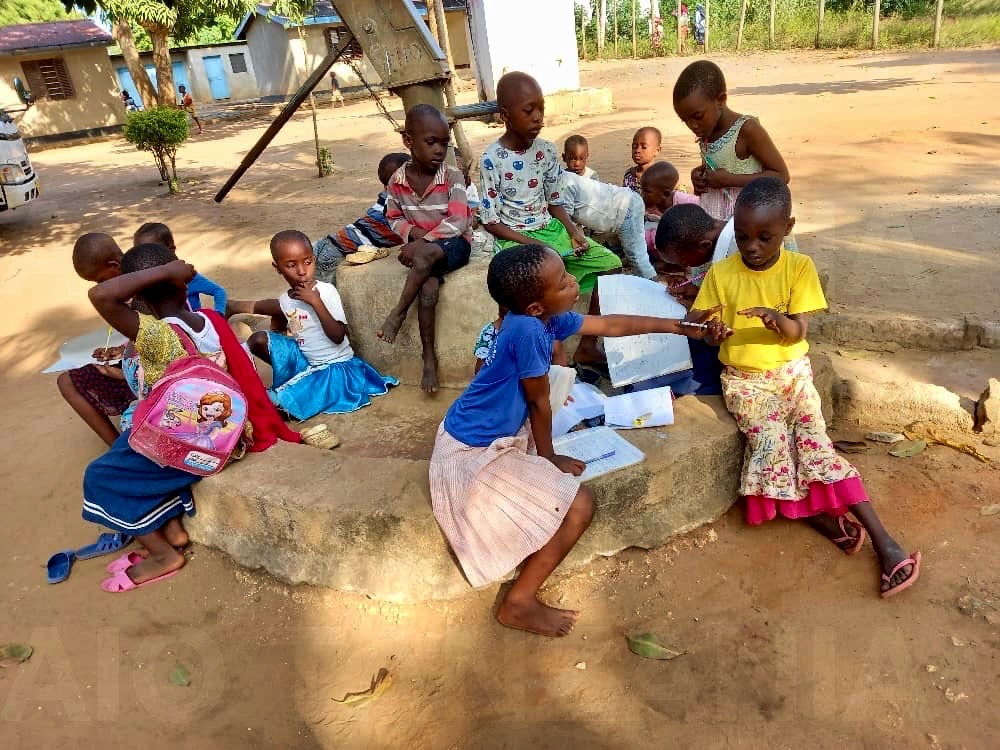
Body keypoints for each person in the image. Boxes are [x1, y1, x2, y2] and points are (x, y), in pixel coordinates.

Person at [430, 244, 729, 637]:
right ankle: (518, 601)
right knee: (579, 505)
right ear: (537, 305)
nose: (574, 283)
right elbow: (538, 402)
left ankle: (520, 595)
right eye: (563, 282)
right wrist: (549, 457)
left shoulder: (540, 320)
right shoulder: (528, 332)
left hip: (486, 430)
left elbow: (610, 325)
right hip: (471, 450)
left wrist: (678, 327)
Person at [690, 177, 921, 598]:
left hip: (793, 375)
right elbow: (701, 326)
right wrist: (711, 331)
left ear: (788, 228)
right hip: (745, 383)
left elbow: (798, 331)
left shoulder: (799, 268)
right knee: (772, 448)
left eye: (765, 237)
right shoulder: (721, 273)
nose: (752, 246)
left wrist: (776, 319)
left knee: (816, 446)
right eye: (742, 236)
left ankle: (886, 542)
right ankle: (825, 520)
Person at [83, 243, 300, 592]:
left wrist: (164, 273)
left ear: (140, 298)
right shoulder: (210, 320)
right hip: (231, 433)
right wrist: (171, 273)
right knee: (133, 442)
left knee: (101, 476)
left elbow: (100, 296)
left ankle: (162, 555)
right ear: (184, 285)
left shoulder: (157, 335)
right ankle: (173, 530)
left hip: (193, 446)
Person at [479, 71, 622, 364]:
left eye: (541, 109)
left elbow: (555, 202)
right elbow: (491, 221)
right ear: (505, 115)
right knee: (521, 294)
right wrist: (532, 245)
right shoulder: (492, 159)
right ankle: (527, 356)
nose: (538, 118)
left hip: (550, 230)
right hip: (515, 240)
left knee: (610, 265)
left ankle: (587, 345)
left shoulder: (545, 151)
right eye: (528, 110)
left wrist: (573, 232)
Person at [246, 230, 397, 419]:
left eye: (307, 262)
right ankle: (294, 382)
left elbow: (338, 336)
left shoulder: (326, 292)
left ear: (314, 260)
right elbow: (288, 329)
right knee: (258, 340)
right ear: (277, 268)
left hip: (334, 367)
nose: (302, 271)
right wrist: (280, 348)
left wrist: (316, 302)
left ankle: (292, 392)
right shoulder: (285, 299)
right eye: (291, 265)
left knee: (281, 406)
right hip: (306, 360)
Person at [376, 105, 473, 394]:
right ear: (408, 141)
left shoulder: (452, 176)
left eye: (444, 143)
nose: (439, 150)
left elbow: (459, 221)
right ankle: (428, 357)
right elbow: (393, 218)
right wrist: (415, 236)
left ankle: (398, 313)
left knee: (426, 254)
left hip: (455, 245)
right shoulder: (397, 182)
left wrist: (422, 242)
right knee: (428, 290)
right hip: (425, 252)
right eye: (431, 142)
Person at [673, 61, 789, 221]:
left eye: (698, 116)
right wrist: (700, 177)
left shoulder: (747, 130)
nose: (692, 125)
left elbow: (782, 175)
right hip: (715, 219)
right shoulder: (706, 132)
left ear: (721, 100)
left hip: (746, 221)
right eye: (685, 120)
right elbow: (716, 167)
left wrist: (730, 180)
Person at [59, 233, 139, 447]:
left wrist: (123, 373)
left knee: (68, 382)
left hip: (151, 374)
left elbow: (163, 343)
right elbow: (139, 335)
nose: (101, 287)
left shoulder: (144, 287)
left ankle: (124, 446)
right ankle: (116, 448)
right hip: (137, 363)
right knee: (66, 381)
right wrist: (121, 350)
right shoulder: (125, 288)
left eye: (102, 281)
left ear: (114, 265)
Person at [313, 152, 411, 283]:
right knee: (325, 292)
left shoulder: (388, 198)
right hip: (333, 252)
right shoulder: (393, 206)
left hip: (331, 244)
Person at [559, 169, 657, 280]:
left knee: (637, 257)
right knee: (638, 255)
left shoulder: (563, 185)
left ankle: (653, 286)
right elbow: (574, 225)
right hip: (627, 202)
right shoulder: (565, 178)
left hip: (624, 209)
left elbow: (566, 221)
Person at [133, 222, 228, 313]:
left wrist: (219, 315)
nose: (145, 258)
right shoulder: (146, 280)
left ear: (171, 249)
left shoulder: (187, 277)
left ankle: (230, 308)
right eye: (139, 253)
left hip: (193, 323)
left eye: (152, 252)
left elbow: (219, 291)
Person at [622, 126, 662, 193]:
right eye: (634, 146)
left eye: (644, 147)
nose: (637, 150)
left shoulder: (661, 177)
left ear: (657, 150)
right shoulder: (629, 174)